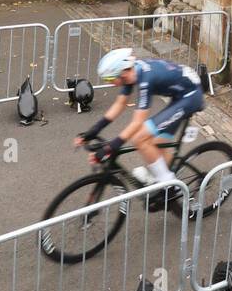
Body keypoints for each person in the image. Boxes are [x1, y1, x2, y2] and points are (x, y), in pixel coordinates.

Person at [78, 49, 205, 190]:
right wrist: (94, 130)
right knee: (156, 143)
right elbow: (119, 104)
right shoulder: (131, 73)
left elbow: (137, 122)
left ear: (123, 72)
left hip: (191, 97)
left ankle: (169, 186)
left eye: (110, 79)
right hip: (180, 95)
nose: (110, 83)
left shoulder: (146, 80)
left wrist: (110, 148)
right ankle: (170, 177)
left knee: (140, 138)